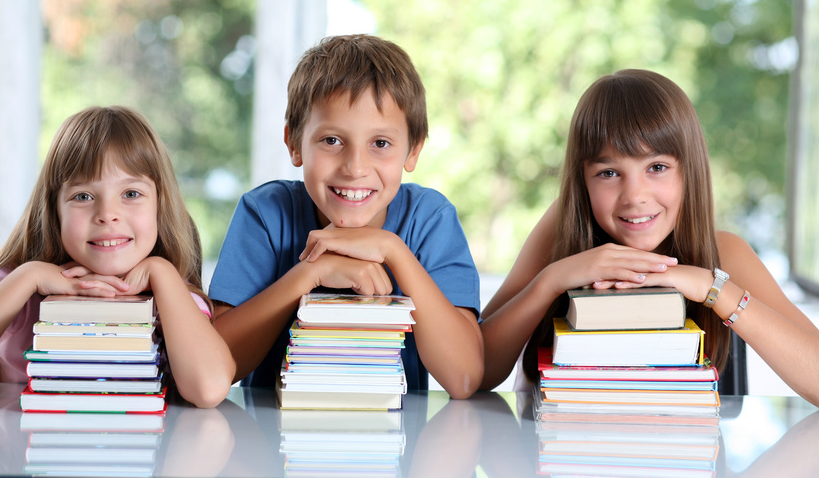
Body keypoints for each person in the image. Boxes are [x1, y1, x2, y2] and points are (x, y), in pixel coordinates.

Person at [479, 69, 819, 404]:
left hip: (689, 454)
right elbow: (478, 369)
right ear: (582, 180)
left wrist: (709, 287)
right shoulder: (562, 227)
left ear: (690, 170)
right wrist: (551, 279)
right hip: (562, 448)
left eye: (656, 167)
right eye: (608, 173)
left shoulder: (724, 253)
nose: (634, 196)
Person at [209, 34, 484, 398]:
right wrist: (310, 273)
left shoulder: (429, 219)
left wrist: (393, 250)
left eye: (380, 144)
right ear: (294, 144)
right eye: (332, 141)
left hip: (394, 443)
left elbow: (464, 377)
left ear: (413, 151)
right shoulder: (266, 213)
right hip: (272, 441)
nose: (355, 168)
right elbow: (215, 365)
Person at [0, 106, 235, 407]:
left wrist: (161, 271)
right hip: (21, 451)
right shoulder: (11, 285)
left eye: (131, 194)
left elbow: (209, 389)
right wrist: (29, 276)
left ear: (160, 204)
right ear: (55, 211)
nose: (107, 215)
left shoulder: (172, 296)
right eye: (83, 196)